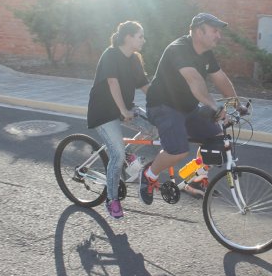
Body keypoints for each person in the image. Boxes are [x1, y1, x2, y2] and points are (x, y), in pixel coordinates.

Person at [139, 13, 239, 205]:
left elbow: (220, 78)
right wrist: (214, 106)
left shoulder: (206, 53)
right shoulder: (179, 49)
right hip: (162, 106)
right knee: (178, 150)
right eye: (214, 31)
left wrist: (236, 104)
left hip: (187, 108)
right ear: (198, 32)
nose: (219, 35)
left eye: (219, 31)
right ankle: (149, 174)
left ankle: (192, 177)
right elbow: (195, 81)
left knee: (218, 141)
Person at [87, 20, 154, 219]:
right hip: (104, 112)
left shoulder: (134, 59)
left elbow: (144, 86)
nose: (144, 40)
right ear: (128, 37)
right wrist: (123, 110)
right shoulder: (110, 55)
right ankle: (112, 199)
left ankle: (128, 154)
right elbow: (112, 82)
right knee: (115, 155)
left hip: (125, 109)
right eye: (140, 36)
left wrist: (165, 104)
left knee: (154, 129)